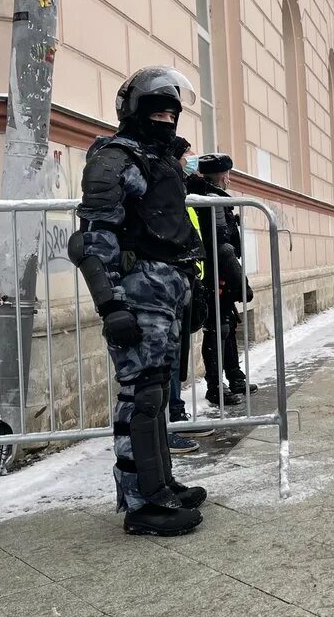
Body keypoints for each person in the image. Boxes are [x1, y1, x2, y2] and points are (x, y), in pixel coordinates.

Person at [70, 66, 207, 536]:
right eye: (155, 109)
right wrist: (111, 305)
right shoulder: (115, 158)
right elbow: (91, 240)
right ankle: (142, 503)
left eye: (171, 111)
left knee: (156, 392)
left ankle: (161, 483)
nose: (165, 118)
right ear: (133, 110)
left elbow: (174, 229)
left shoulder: (160, 158)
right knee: (142, 396)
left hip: (167, 293)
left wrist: (196, 289)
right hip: (137, 294)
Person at [186, 152, 256, 408]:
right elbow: (222, 246)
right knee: (217, 330)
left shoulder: (204, 195)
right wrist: (240, 283)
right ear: (223, 175)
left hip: (214, 272)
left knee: (224, 327)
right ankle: (215, 387)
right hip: (214, 274)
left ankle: (235, 377)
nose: (229, 179)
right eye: (228, 174)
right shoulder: (212, 200)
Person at [165, 140, 212, 451]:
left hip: (183, 281)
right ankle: (168, 423)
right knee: (164, 360)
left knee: (175, 357)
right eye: (186, 156)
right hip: (163, 284)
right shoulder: (164, 187)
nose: (191, 161)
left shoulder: (181, 186)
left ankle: (176, 413)